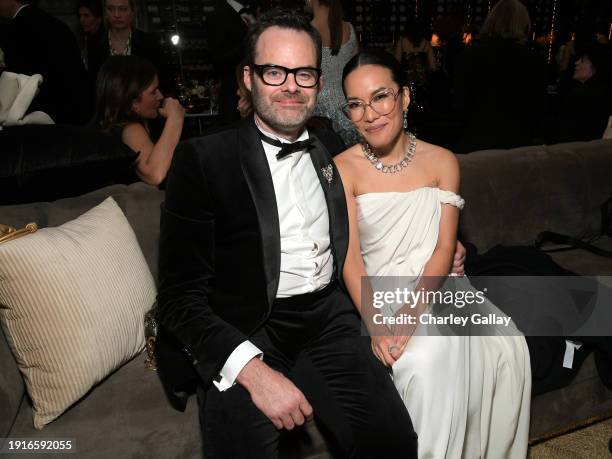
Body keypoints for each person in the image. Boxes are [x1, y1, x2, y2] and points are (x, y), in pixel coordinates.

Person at [156, 9, 462, 458]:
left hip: (327, 318)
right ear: (248, 77)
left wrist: (445, 245)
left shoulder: (333, 150)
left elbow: (385, 210)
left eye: (303, 73)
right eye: (275, 71)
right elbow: (178, 299)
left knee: (392, 441)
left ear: (320, 83)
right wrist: (252, 371)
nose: (290, 86)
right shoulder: (202, 160)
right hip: (245, 325)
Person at [334, 49, 531, 458]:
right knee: (427, 359)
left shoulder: (443, 160)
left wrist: (412, 311)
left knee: (509, 346)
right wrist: (376, 323)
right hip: (377, 291)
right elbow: (350, 259)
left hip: (437, 284)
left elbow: (444, 248)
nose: (370, 114)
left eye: (381, 97)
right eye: (356, 104)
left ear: (404, 97)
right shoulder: (342, 168)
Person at [453, 0, 546, 153]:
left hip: (476, 142)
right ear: (523, 24)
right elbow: (538, 108)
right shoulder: (532, 60)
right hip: (517, 145)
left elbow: (459, 104)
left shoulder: (470, 55)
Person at [92, 55, 184, 186]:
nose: (160, 96)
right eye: (153, 92)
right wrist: (175, 119)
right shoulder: (131, 129)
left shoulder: (108, 125)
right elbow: (155, 175)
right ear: (132, 101)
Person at [0, 0, 91, 124]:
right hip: (71, 115)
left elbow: (15, 84)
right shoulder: (57, 24)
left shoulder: (16, 30)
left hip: (35, 118)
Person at [88, 0, 171, 94]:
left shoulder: (149, 43)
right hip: (107, 106)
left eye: (123, 9)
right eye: (110, 9)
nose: (116, 15)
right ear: (105, 12)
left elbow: (165, 81)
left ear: (133, 11)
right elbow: (92, 84)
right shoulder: (94, 44)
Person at [307, 0, 359, 146]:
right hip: (347, 108)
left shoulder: (306, 32)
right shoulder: (349, 28)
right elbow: (356, 70)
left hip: (316, 110)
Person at [77, 0, 103, 69]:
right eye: (80, 16)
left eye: (86, 15)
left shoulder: (103, 43)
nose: (81, 19)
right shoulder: (83, 38)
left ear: (98, 19)